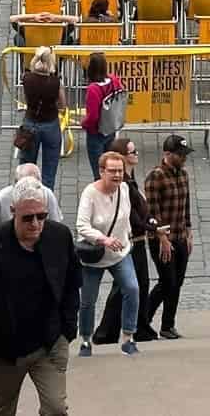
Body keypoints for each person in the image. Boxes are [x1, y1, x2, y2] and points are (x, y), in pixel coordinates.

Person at [0, 176, 80, 414]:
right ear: (13, 211)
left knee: (56, 409)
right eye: (28, 218)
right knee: (2, 411)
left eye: (42, 216)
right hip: (4, 349)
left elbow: (72, 283)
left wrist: (67, 330)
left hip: (50, 343)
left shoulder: (59, 237)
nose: (35, 224)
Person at [92, 138, 158, 345]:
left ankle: (129, 328)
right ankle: (110, 331)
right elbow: (132, 215)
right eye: (132, 152)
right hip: (130, 240)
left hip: (136, 239)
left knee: (131, 286)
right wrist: (150, 226)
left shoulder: (130, 181)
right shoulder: (123, 185)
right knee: (127, 287)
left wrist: (151, 222)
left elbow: (141, 212)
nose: (136, 154)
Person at [76, 150, 141, 357]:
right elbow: (81, 225)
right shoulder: (90, 193)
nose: (117, 175)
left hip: (120, 252)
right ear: (101, 171)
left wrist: (128, 236)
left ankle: (128, 337)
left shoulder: (124, 188)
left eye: (120, 171)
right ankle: (86, 340)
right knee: (88, 300)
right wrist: (103, 239)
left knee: (132, 289)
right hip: (94, 256)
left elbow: (127, 215)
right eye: (112, 171)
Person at [143, 134, 194, 339]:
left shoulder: (183, 175)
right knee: (167, 282)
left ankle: (167, 325)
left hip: (180, 236)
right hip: (161, 239)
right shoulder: (155, 176)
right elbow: (152, 211)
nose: (183, 158)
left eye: (184, 154)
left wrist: (189, 231)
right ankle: (143, 318)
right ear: (167, 154)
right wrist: (162, 238)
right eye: (180, 155)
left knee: (177, 282)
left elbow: (185, 205)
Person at [20, 47, 65, 190]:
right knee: (49, 171)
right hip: (50, 124)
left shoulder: (27, 79)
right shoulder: (55, 82)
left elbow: (26, 99)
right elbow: (62, 104)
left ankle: (24, 193)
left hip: (30, 123)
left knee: (26, 167)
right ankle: (46, 200)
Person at [79, 52, 125, 181]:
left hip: (96, 133)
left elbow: (93, 116)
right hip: (110, 128)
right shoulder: (114, 80)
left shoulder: (93, 89)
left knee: (99, 171)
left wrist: (83, 123)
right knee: (110, 166)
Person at [0, 163, 63, 230]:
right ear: (15, 184)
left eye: (41, 216)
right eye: (23, 187)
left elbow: (55, 224)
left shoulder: (47, 194)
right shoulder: (2, 198)